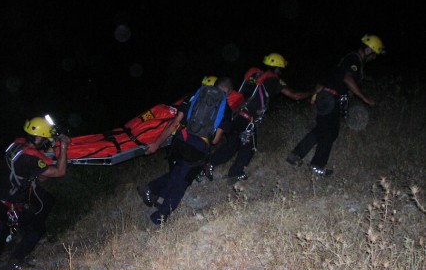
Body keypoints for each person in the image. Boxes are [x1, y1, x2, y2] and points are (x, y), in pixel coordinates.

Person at [0, 115, 71, 270]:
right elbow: (59, 172)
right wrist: (63, 147)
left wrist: (44, 155)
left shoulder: (17, 143)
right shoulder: (30, 157)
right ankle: (10, 262)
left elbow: (41, 176)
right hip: (4, 203)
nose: (48, 140)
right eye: (46, 138)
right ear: (39, 138)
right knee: (31, 231)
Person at [203, 53, 313, 182]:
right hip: (246, 119)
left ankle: (209, 164)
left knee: (233, 145)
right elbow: (296, 96)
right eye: (281, 68)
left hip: (233, 114)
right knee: (249, 147)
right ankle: (235, 173)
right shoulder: (274, 80)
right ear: (278, 68)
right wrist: (313, 92)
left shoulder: (253, 75)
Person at [138, 77, 233, 225]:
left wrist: (156, 144)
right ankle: (159, 218)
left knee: (177, 172)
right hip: (198, 149)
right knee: (181, 184)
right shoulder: (225, 108)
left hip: (180, 141)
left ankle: (153, 190)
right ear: (229, 93)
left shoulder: (196, 96)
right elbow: (215, 140)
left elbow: (175, 122)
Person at [286, 34, 385, 176]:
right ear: (369, 50)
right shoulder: (354, 59)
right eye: (374, 54)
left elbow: (338, 76)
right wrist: (364, 98)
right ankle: (317, 165)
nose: (374, 57)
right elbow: (347, 78)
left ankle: (295, 156)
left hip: (326, 96)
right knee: (330, 132)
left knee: (322, 129)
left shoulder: (350, 59)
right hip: (330, 97)